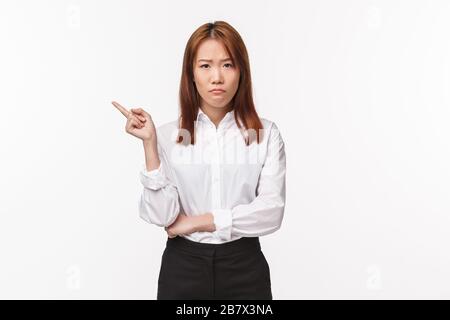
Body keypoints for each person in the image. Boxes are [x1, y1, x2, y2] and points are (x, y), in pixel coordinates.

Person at [112, 20, 286, 300]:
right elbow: (162, 216)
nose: (217, 77)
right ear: (191, 74)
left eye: (227, 65)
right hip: (183, 268)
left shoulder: (266, 135)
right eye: (205, 66)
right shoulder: (168, 136)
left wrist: (199, 222)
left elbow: (271, 211)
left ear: (242, 71)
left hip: (244, 267)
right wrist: (150, 146)